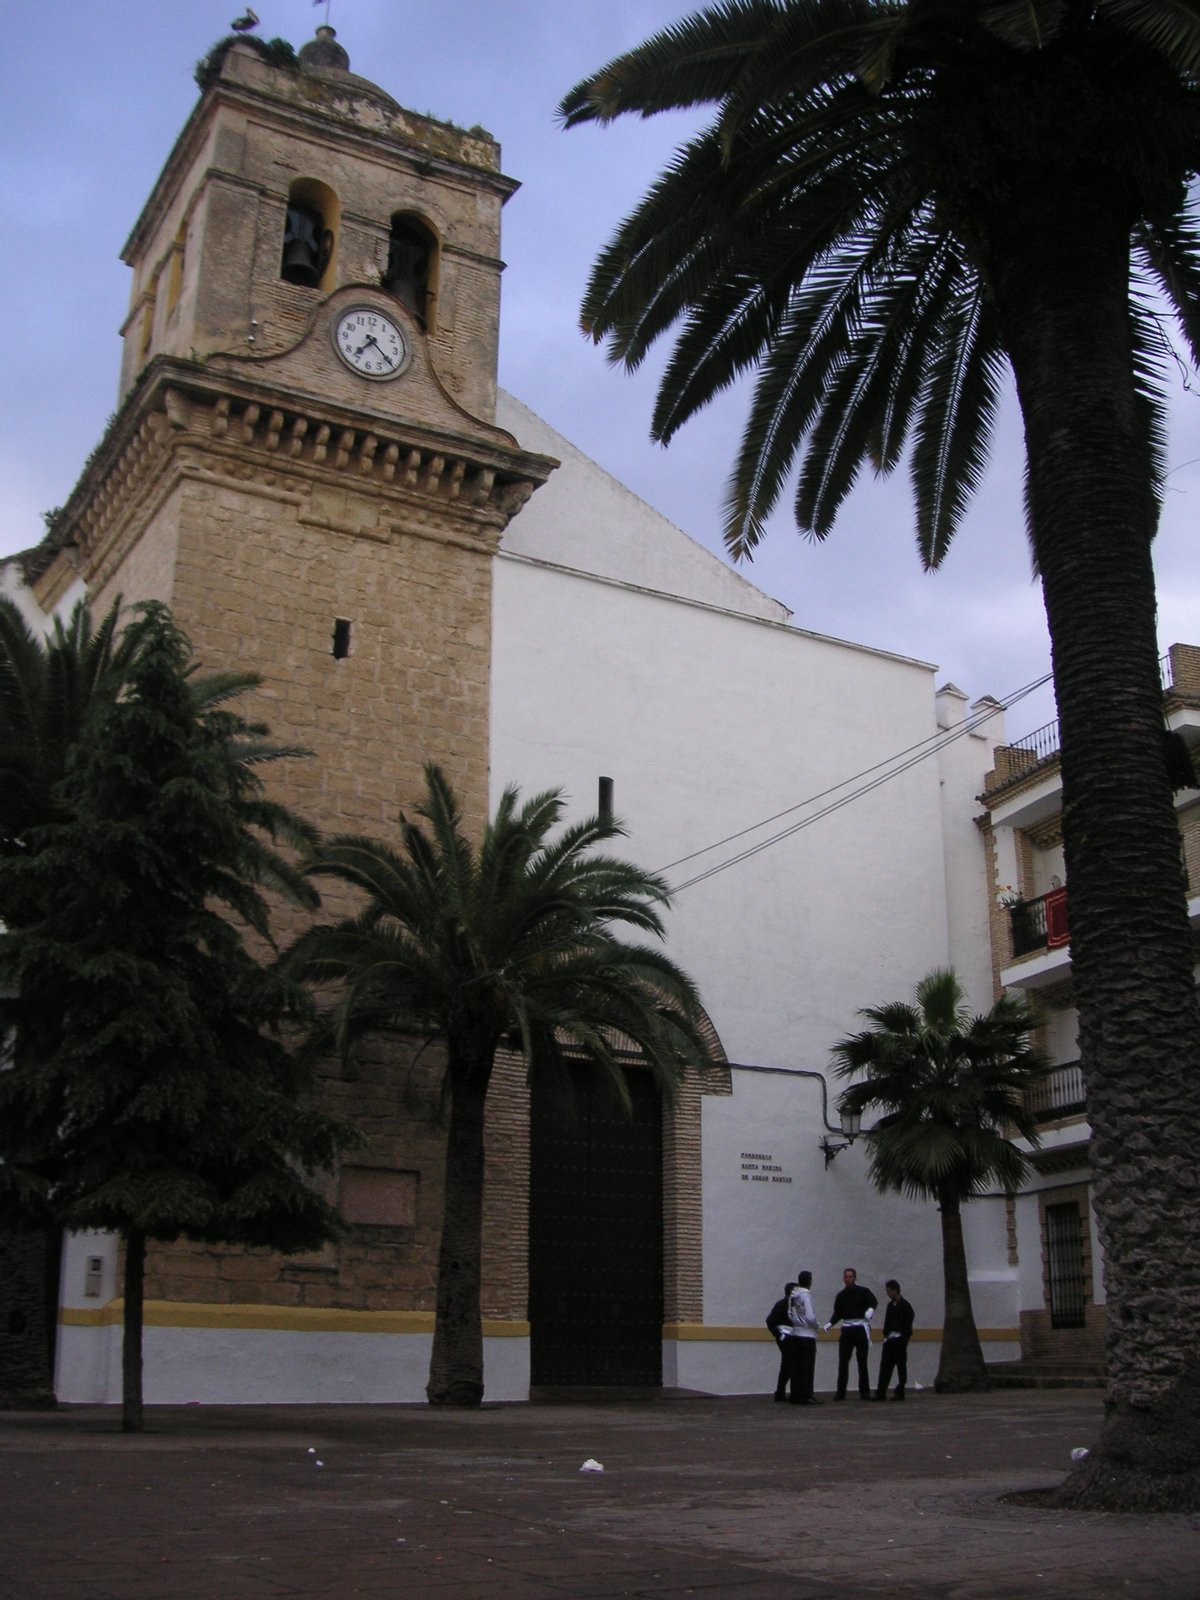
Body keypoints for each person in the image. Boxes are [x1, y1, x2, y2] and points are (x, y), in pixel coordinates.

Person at [824, 1266, 878, 1399]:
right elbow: (838, 1312)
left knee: (862, 1361)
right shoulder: (841, 1296)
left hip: (860, 1328)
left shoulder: (864, 1292)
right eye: (846, 1277)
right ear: (843, 1279)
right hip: (847, 1330)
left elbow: (873, 1302)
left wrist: (870, 1310)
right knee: (843, 1361)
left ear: (855, 1278)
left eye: (850, 1277)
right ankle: (841, 1392)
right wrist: (830, 1323)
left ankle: (864, 1392)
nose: (848, 1279)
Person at [875, 1279, 915, 1401]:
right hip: (890, 1339)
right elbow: (887, 1322)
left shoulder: (905, 1306)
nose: (888, 1294)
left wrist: (903, 1337)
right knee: (885, 1366)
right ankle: (881, 1391)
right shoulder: (890, 1306)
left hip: (899, 1340)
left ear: (895, 1290)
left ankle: (900, 1390)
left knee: (900, 1365)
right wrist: (886, 1335)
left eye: (889, 1291)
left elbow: (908, 1324)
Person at [786, 1270, 822, 1404]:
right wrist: (816, 1325)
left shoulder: (793, 1295)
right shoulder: (806, 1295)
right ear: (809, 1282)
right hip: (807, 1334)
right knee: (807, 1366)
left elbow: (789, 1313)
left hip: (795, 1333)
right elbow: (810, 1315)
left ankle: (795, 1394)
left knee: (796, 1366)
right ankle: (807, 1394)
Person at [765, 1281, 797, 1402]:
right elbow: (770, 1321)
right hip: (784, 1337)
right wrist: (778, 1333)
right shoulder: (782, 1305)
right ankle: (782, 1392)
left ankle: (781, 1392)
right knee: (789, 1362)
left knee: (787, 1364)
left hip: (792, 1336)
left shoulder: (794, 1306)